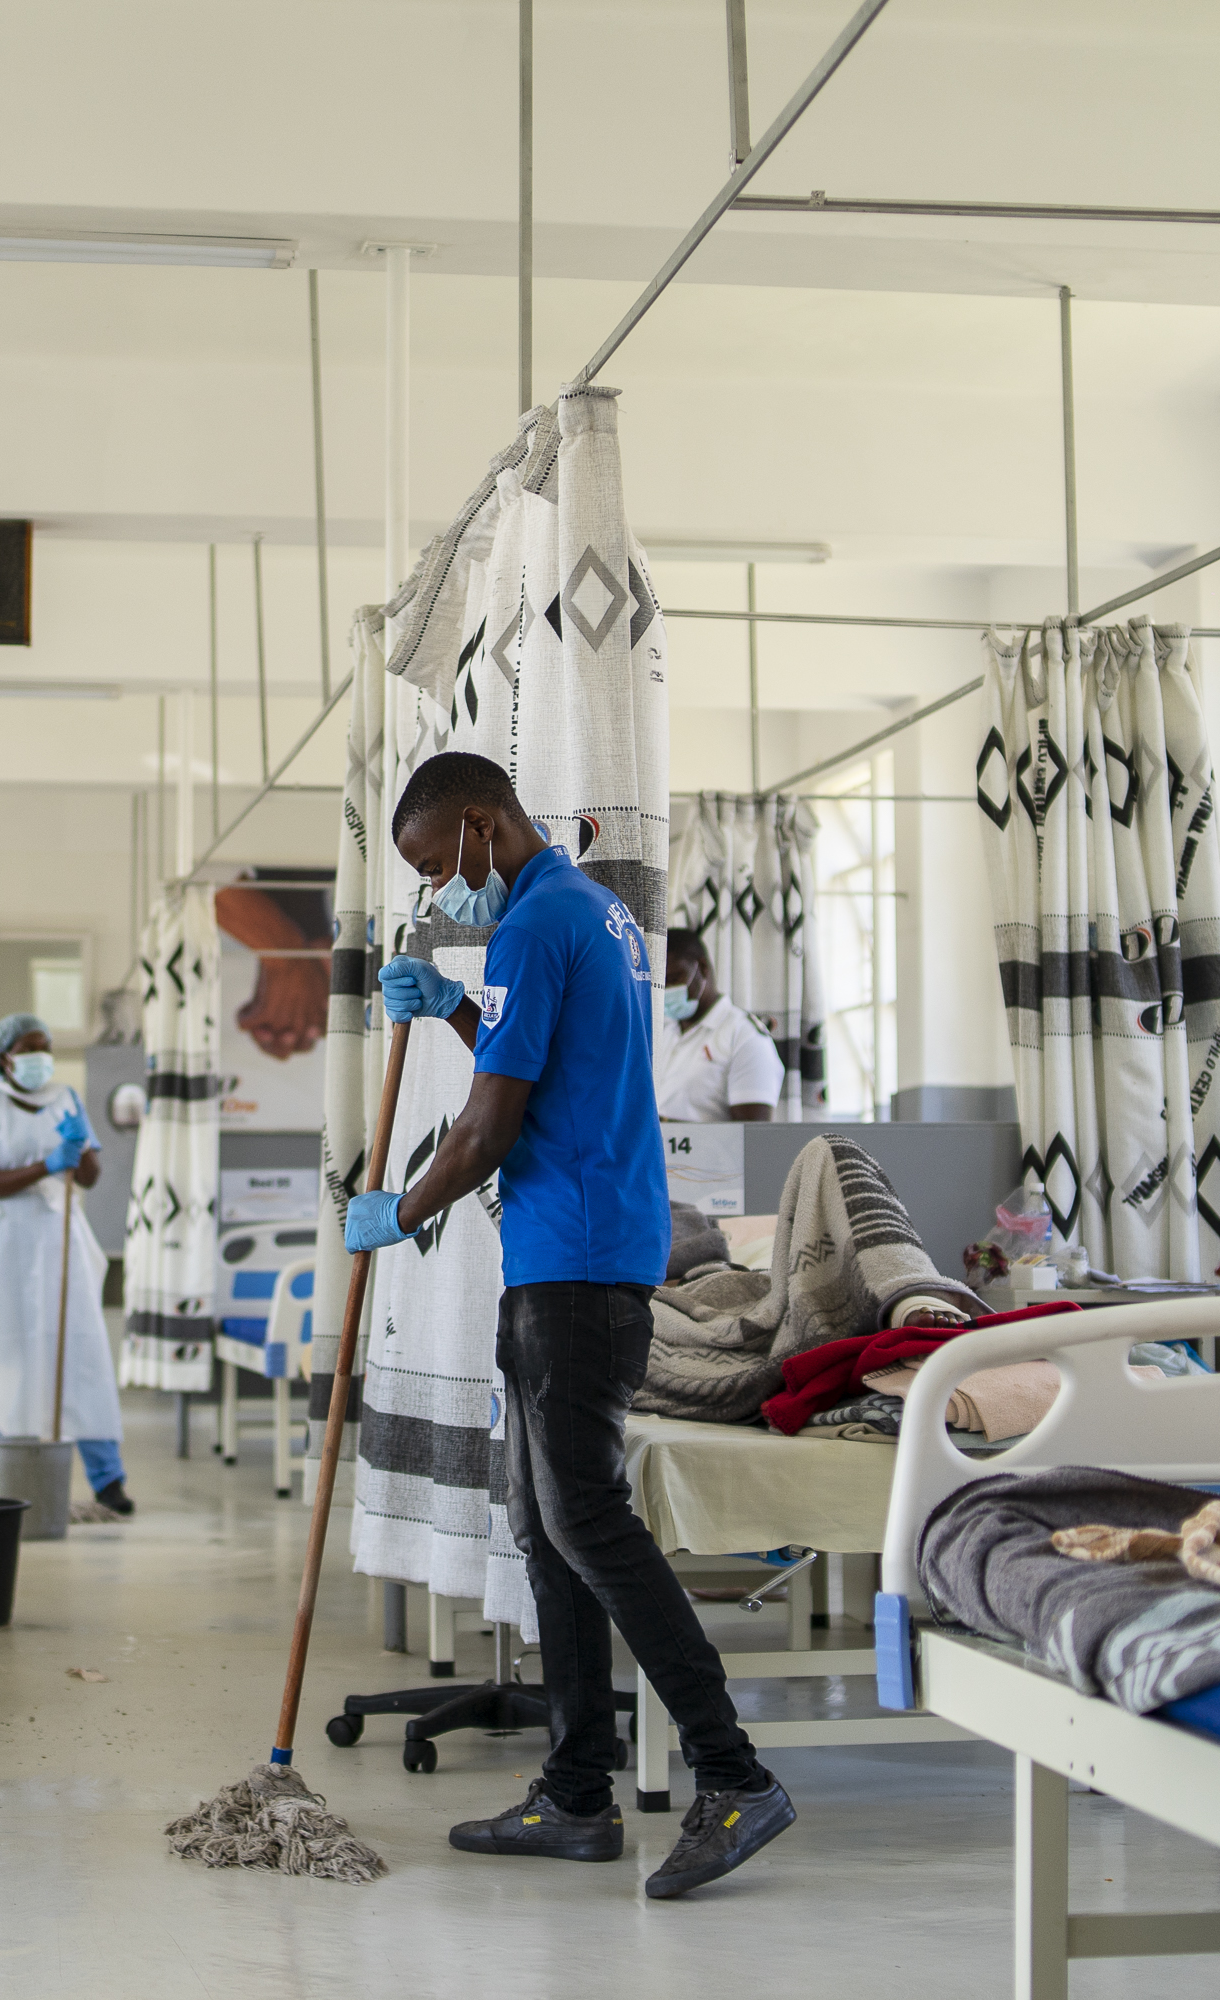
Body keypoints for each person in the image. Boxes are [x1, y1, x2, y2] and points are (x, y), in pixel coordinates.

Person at [345, 750, 795, 1900]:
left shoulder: (537, 924)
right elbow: (541, 1064)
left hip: (579, 1258)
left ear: (479, 823)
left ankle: (733, 1773)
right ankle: (577, 1790)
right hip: (574, 1247)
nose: (436, 890)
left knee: (587, 1519)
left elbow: (489, 1127)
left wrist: (400, 1209)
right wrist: (453, 1005)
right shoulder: (590, 914)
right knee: (546, 1526)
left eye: (432, 865)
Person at [0, 1011, 131, 1519]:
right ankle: (15, 1472)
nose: (42, 1057)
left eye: (46, 1048)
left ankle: (108, 1480)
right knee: (8, 1353)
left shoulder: (66, 1099)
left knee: (81, 1354)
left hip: (59, 1239)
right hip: (3, 1243)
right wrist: (47, 1164)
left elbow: (89, 1176)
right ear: (4, 1058)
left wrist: (78, 1148)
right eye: (30, 1049)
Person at [654, 926, 784, 1123]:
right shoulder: (661, 1031)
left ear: (702, 967)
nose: (667, 990)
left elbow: (751, 1134)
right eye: (660, 984)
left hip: (704, 1145)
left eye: (674, 979)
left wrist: (669, 1126)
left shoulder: (744, 1036)